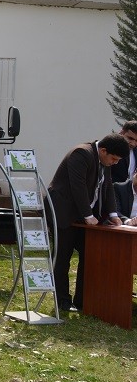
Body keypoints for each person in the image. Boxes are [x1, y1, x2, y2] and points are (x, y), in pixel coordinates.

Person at [48, 133, 127, 312]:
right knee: (63, 256)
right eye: (113, 159)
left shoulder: (104, 160)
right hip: (64, 213)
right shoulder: (81, 153)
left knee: (90, 254)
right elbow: (78, 186)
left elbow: (107, 186)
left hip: (83, 217)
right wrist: (87, 214)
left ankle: (84, 300)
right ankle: (62, 301)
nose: (114, 163)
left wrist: (114, 214)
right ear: (103, 150)